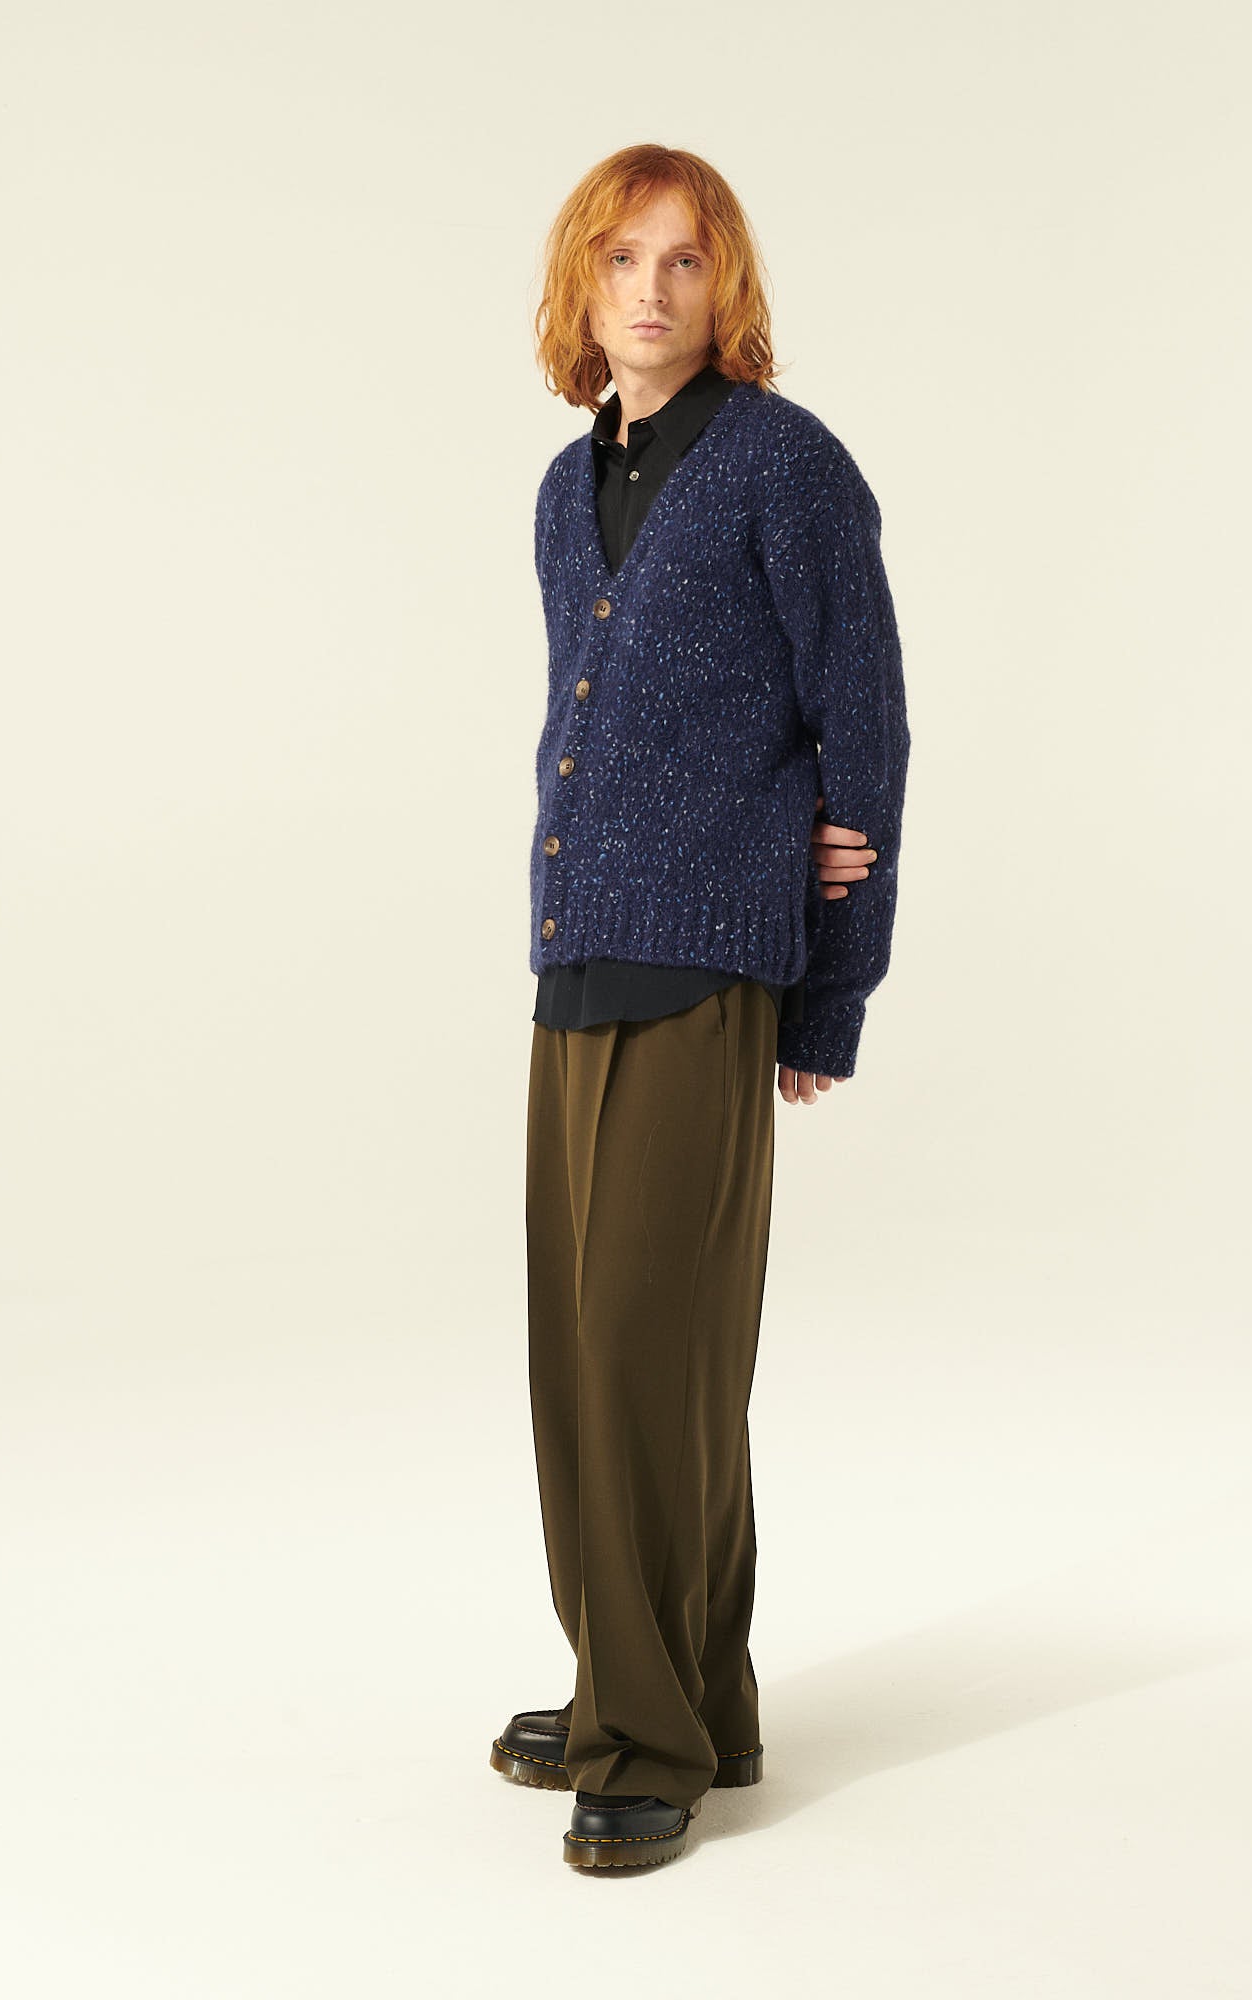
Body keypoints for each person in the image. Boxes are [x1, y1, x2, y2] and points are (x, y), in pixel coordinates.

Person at [489, 144, 911, 1871]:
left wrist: (830, 994)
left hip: (708, 962)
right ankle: (665, 1691)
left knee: (651, 1353)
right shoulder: (564, 484)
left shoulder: (783, 465)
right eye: (621, 259)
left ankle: (644, 1738)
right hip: (580, 947)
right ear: (579, 288)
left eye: (683, 260)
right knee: (579, 1356)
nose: (651, 290)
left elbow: (861, 730)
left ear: (723, 285)